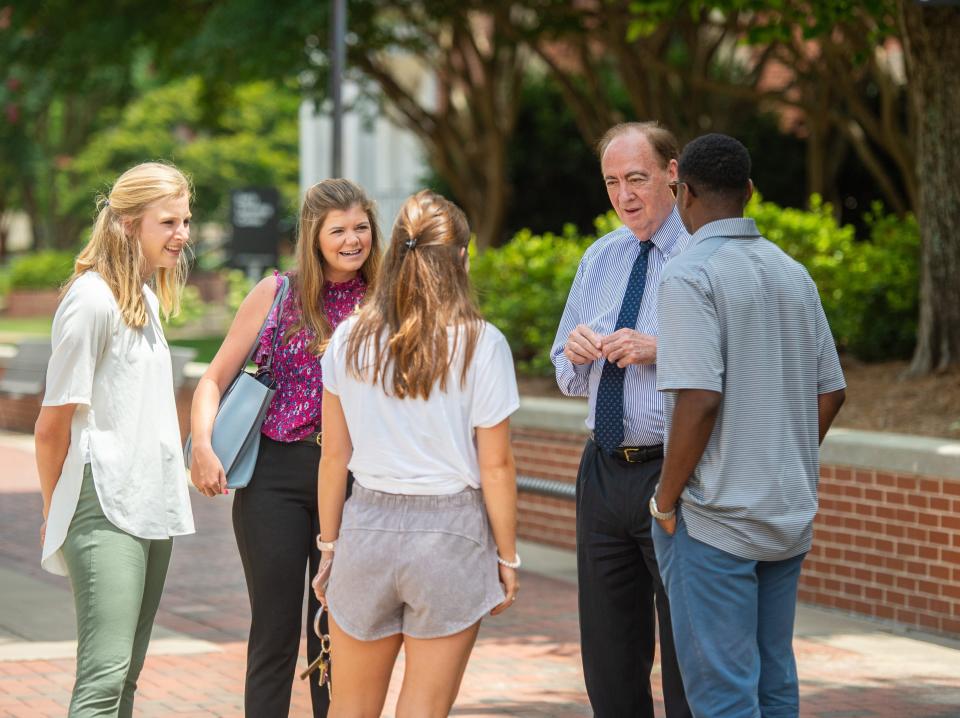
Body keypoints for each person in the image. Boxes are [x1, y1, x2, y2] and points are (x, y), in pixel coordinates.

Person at [651, 133, 847, 717]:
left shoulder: (688, 275)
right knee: (773, 680)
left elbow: (700, 398)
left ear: (681, 192)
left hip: (714, 519)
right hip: (785, 511)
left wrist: (665, 498)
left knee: (723, 695)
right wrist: (779, 457)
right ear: (750, 192)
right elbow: (831, 391)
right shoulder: (793, 273)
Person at [311, 189, 520, 718]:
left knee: (349, 710)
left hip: (366, 529)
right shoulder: (481, 343)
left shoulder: (349, 339)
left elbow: (334, 456)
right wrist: (507, 556)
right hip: (449, 535)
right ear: (461, 259)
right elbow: (495, 465)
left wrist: (329, 545)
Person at [189, 179, 381, 717]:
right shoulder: (277, 292)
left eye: (361, 227)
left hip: (355, 482)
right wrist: (202, 445)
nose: (352, 240)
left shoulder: (388, 299)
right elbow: (214, 379)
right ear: (313, 236)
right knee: (273, 632)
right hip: (275, 476)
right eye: (338, 230)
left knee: (337, 629)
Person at [35, 162, 197, 717]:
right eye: (169, 222)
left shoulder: (145, 301)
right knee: (103, 680)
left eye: (185, 221)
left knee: (126, 676)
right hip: (102, 501)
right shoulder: (92, 299)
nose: (183, 235)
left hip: (150, 501)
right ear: (129, 224)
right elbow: (52, 423)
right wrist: (53, 503)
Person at [550, 121, 692, 718]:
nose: (624, 195)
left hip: (676, 473)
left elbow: (737, 360)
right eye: (612, 182)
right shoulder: (600, 255)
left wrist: (659, 348)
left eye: (636, 178)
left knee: (688, 651)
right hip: (604, 472)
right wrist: (576, 352)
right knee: (608, 658)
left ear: (672, 173)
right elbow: (561, 367)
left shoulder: (702, 253)